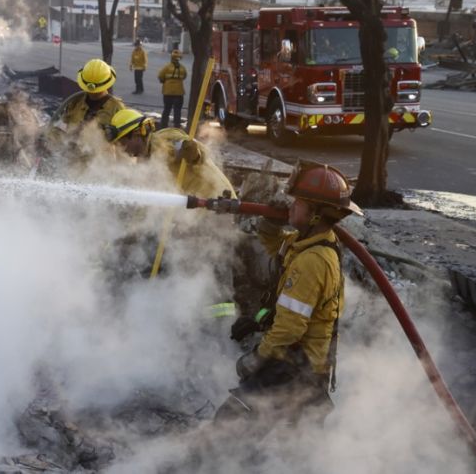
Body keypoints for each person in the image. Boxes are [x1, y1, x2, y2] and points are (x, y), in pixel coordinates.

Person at [215, 160, 363, 432]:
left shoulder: (314, 261)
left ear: (316, 215)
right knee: (287, 444)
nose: (290, 205)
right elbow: (276, 251)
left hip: (296, 370)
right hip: (297, 365)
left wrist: (256, 358)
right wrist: (271, 224)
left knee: (229, 425)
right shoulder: (304, 244)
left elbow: (290, 329)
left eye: (298, 203)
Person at [105, 108, 234, 198]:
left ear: (137, 134)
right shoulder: (145, 160)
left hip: (217, 200)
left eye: (122, 142)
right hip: (193, 211)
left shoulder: (166, 140)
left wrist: (193, 153)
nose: (120, 148)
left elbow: (199, 154)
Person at [157, 49, 188, 129]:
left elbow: (160, 76)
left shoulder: (167, 67)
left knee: (166, 110)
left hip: (168, 92)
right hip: (179, 93)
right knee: (177, 111)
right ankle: (177, 126)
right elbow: (184, 76)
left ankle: (163, 126)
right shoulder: (183, 68)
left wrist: (164, 81)